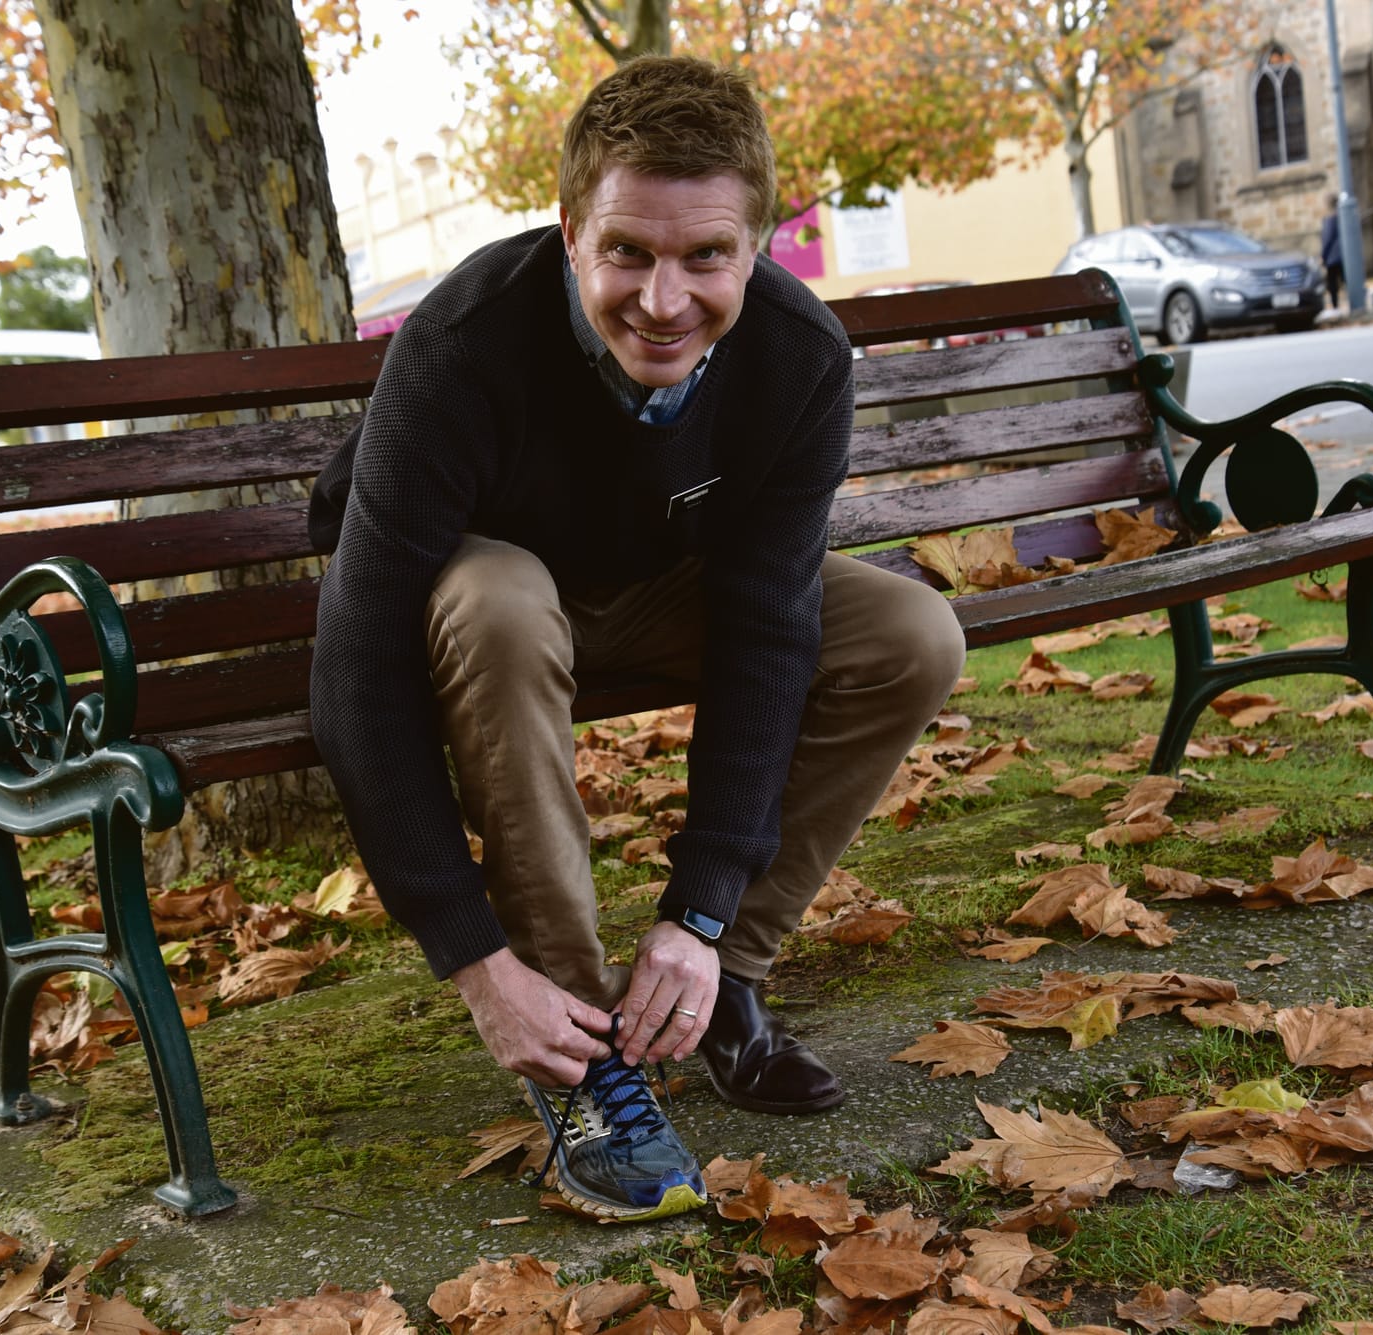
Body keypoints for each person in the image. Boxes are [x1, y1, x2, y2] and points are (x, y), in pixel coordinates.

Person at [307, 56, 965, 1223]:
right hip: (477, 608)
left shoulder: (799, 359)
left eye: (705, 256)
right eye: (627, 252)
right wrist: (472, 961)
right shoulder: (461, 343)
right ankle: (577, 1053)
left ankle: (713, 986)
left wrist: (701, 911)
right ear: (569, 233)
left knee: (910, 630)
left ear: (755, 247)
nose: (663, 300)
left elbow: (770, 627)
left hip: (656, 587)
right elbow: (355, 665)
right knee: (503, 598)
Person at [1319, 192, 1344, 311]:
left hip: (1333, 256)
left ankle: (1335, 306)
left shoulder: (1330, 219)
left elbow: (1328, 239)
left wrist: (1323, 256)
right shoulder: (1343, 216)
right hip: (1344, 255)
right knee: (1345, 280)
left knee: (1332, 283)